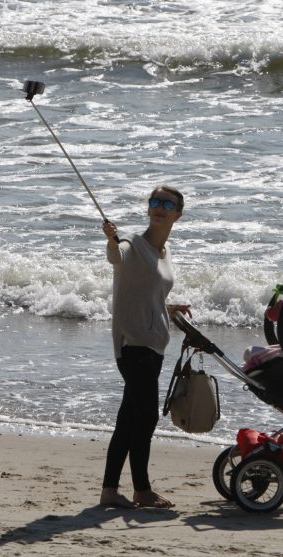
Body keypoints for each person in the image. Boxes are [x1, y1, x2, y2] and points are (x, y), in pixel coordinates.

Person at [99, 185, 191, 509]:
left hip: (154, 347)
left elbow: (148, 294)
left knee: (128, 419)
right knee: (146, 418)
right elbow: (116, 256)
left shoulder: (164, 254)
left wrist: (168, 309)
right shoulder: (133, 244)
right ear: (149, 209)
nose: (159, 207)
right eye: (155, 202)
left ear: (178, 213)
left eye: (167, 203)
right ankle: (142, 490)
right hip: (133, 344)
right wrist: (111, 238)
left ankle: (109, 491)